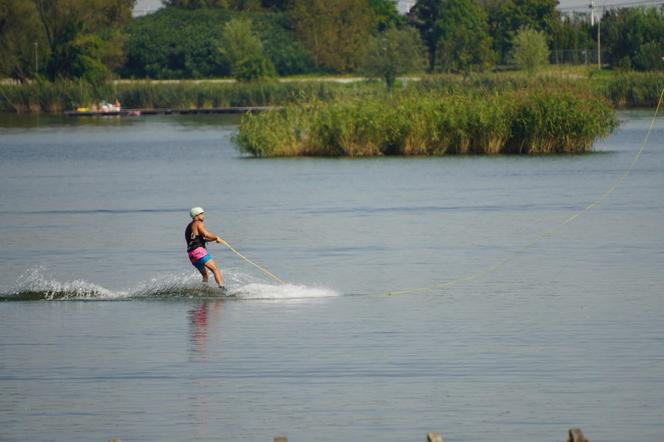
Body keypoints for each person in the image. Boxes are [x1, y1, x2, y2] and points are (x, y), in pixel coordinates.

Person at [185, 207, 225, 288]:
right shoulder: (198, 223)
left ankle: (204, 290)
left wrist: (214, 239)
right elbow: (206, 234)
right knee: (215, 270)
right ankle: (223, 289)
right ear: (196, 215)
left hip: (191, 255)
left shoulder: (189, 226)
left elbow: (202, 239)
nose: (203, 216)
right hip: (199, 252)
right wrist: (216, 237)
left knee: (205, 275)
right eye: (201, 214)